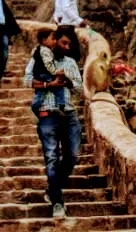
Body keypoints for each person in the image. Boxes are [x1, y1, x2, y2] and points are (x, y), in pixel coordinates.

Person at [35, 25, 85, 219]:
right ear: (54, 40)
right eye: (62, 42)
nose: (65, 46)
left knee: (72, 155)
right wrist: (50, 83)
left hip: (69, 114)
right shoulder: (38, 59)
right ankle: (57, 202)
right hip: (48, 112)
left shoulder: (70, 62)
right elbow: (28, 80)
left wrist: (68, 81)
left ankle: (52, 187)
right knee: (51, 157)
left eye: (68, 44)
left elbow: (80, 89)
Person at [26, 27, 69, 115]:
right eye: (53, 39)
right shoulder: (45, 51)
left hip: (39, 75)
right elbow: (48, 64)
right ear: (44, 40)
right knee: (58, 88)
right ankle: (61, 106)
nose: (55, 42)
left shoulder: (38, 50)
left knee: (40, 93)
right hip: (45, 74)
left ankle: (35, 106)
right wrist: (55, 72)